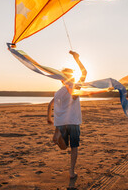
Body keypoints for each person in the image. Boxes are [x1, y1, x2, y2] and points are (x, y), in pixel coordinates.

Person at [47, 50, 87, 179]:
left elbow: (50, 105)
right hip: (73, 122)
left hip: (62, 123)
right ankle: (71, 171)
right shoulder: (75, 89)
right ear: (72, 77)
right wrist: (77, 58)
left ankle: (58, 135)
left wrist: (49, 117)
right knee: (74, 148)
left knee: (64, 147)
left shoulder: (58, 92)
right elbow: (84, 72)